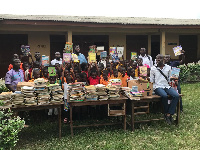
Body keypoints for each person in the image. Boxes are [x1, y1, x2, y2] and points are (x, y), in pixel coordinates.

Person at [150, 54, 179, 125]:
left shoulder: (168, 67)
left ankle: (169, 114)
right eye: (157, 59)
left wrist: (174, 80)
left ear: (163, 59)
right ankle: (166, 113)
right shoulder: (153, 68)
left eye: (159, 59)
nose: (158, 60)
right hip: (157, 87)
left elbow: (169, 78)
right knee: (164, 96)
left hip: (166, 86)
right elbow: (151, 80)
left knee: (176, 96)